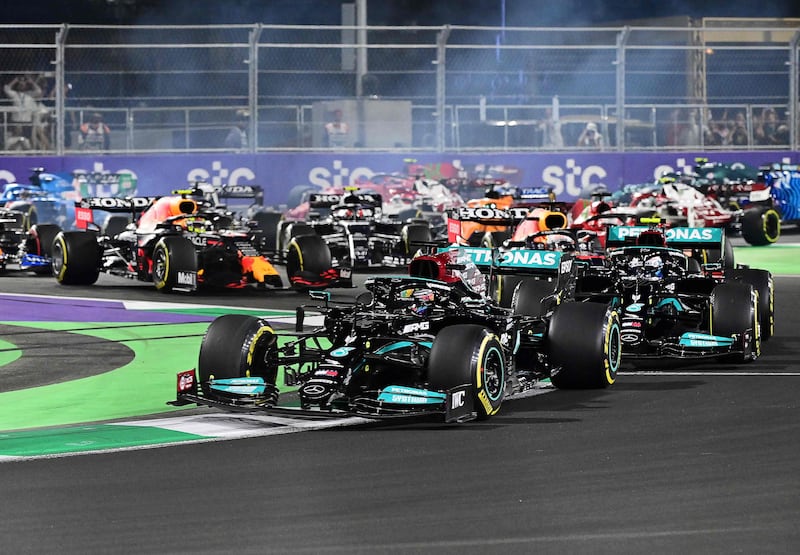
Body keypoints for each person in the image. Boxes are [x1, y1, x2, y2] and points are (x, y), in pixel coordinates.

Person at [3, 74, 43, 146]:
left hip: (27, 121)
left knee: (27, 139)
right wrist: (15, 80)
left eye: (24, 82)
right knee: (16, 139)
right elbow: (6, 89)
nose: (22, 84)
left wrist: (31, 82)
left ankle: (29, 152)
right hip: (16, 121)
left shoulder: (30, 94)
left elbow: (39, 91)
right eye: (20, 83)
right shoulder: (14, 94)